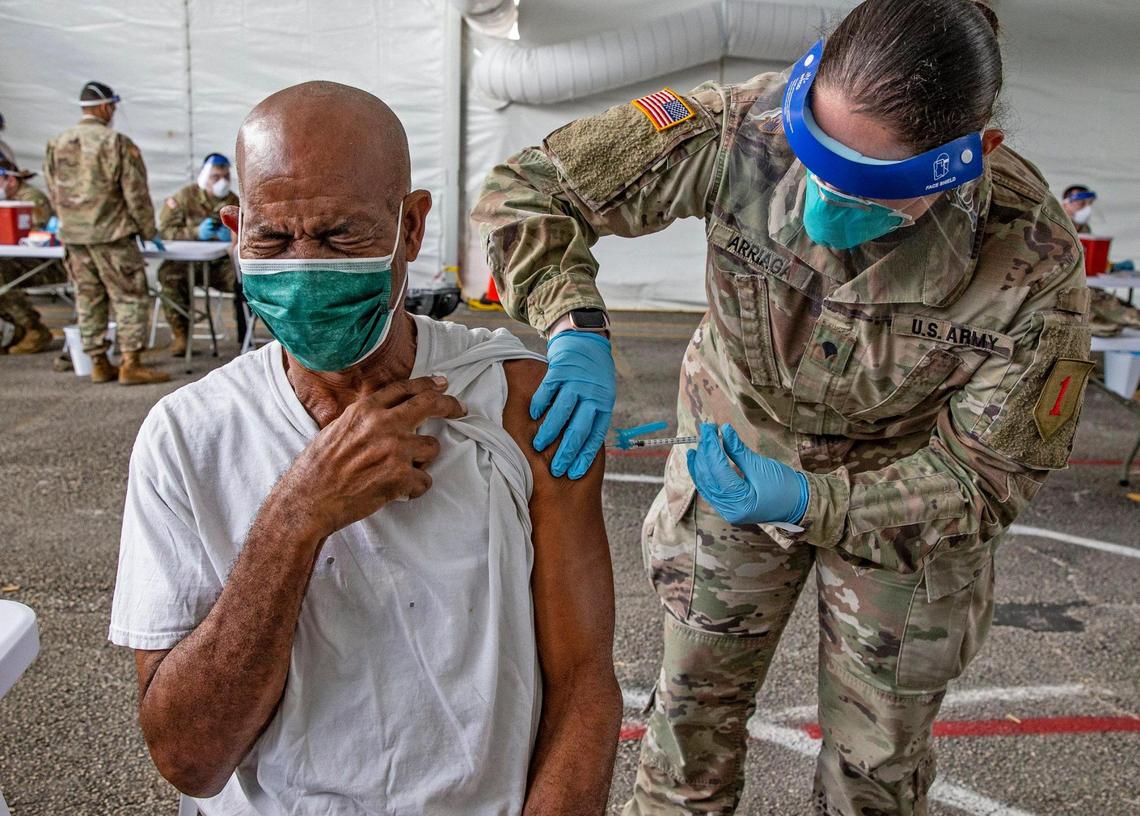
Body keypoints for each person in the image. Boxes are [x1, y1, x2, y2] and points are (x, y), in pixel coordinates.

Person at [474, 0, 1093, 812]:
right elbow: (533, 189)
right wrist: (574, 325)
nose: (821, 204)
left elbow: (983, 478)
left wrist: (813, 500)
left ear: (972, 157)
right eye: (815, 154)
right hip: (733, 452)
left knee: (878, 760)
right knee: (690, 717)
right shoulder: (742, 128)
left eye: (868, 187)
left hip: (902, 500)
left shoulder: (1033, 261)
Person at [109, 81, 621, 815]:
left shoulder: (514, 404)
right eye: (275, 240)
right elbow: (190, 760)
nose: (306, 267)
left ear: (410, 228)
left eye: (339, 235)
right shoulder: (188, 437)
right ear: (235, 229)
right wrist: (300, 511)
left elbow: (582, 687)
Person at [44, 81, 169, 385]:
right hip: (113, 237)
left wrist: (68, 221)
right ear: (103, 107)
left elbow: (51, 189)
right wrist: (148, 229)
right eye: (112, 106)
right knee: (129, 297)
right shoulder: (116, 143)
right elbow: (135, 193)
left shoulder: (57, 143)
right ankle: (130, 363)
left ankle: (98, 361)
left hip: (74, 238)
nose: (113, 112)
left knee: (88, 298)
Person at [157, 153, 242, 356]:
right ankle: (181, 336)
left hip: (219, 265)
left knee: (244, 282)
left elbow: (246, 231)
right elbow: (166, 231)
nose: (222, 181)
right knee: (169, 275)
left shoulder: (233, 200)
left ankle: (244, 338)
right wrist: (195, 233)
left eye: (225, 176)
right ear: (204, 177)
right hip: (186, 264)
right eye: (215, 177)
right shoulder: (185, 197)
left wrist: (231, 235)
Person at [1061, 185, 1140, 335]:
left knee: (1120, 308)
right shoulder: (1056, 225)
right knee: (1106, 323)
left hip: (1086, 287)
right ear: (1066, 203)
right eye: (1081, 203)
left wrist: (1109, 267)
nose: (1087, 208)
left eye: (1089, 203)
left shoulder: (1084, 229)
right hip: (1065, 290)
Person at [0, 159, 56, 354]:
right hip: (19, 260)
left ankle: (33, 329)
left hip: (48, 264)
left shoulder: (31, 199)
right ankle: (15, 330)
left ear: (11, 181)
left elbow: (35, 236)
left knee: (1, 275)